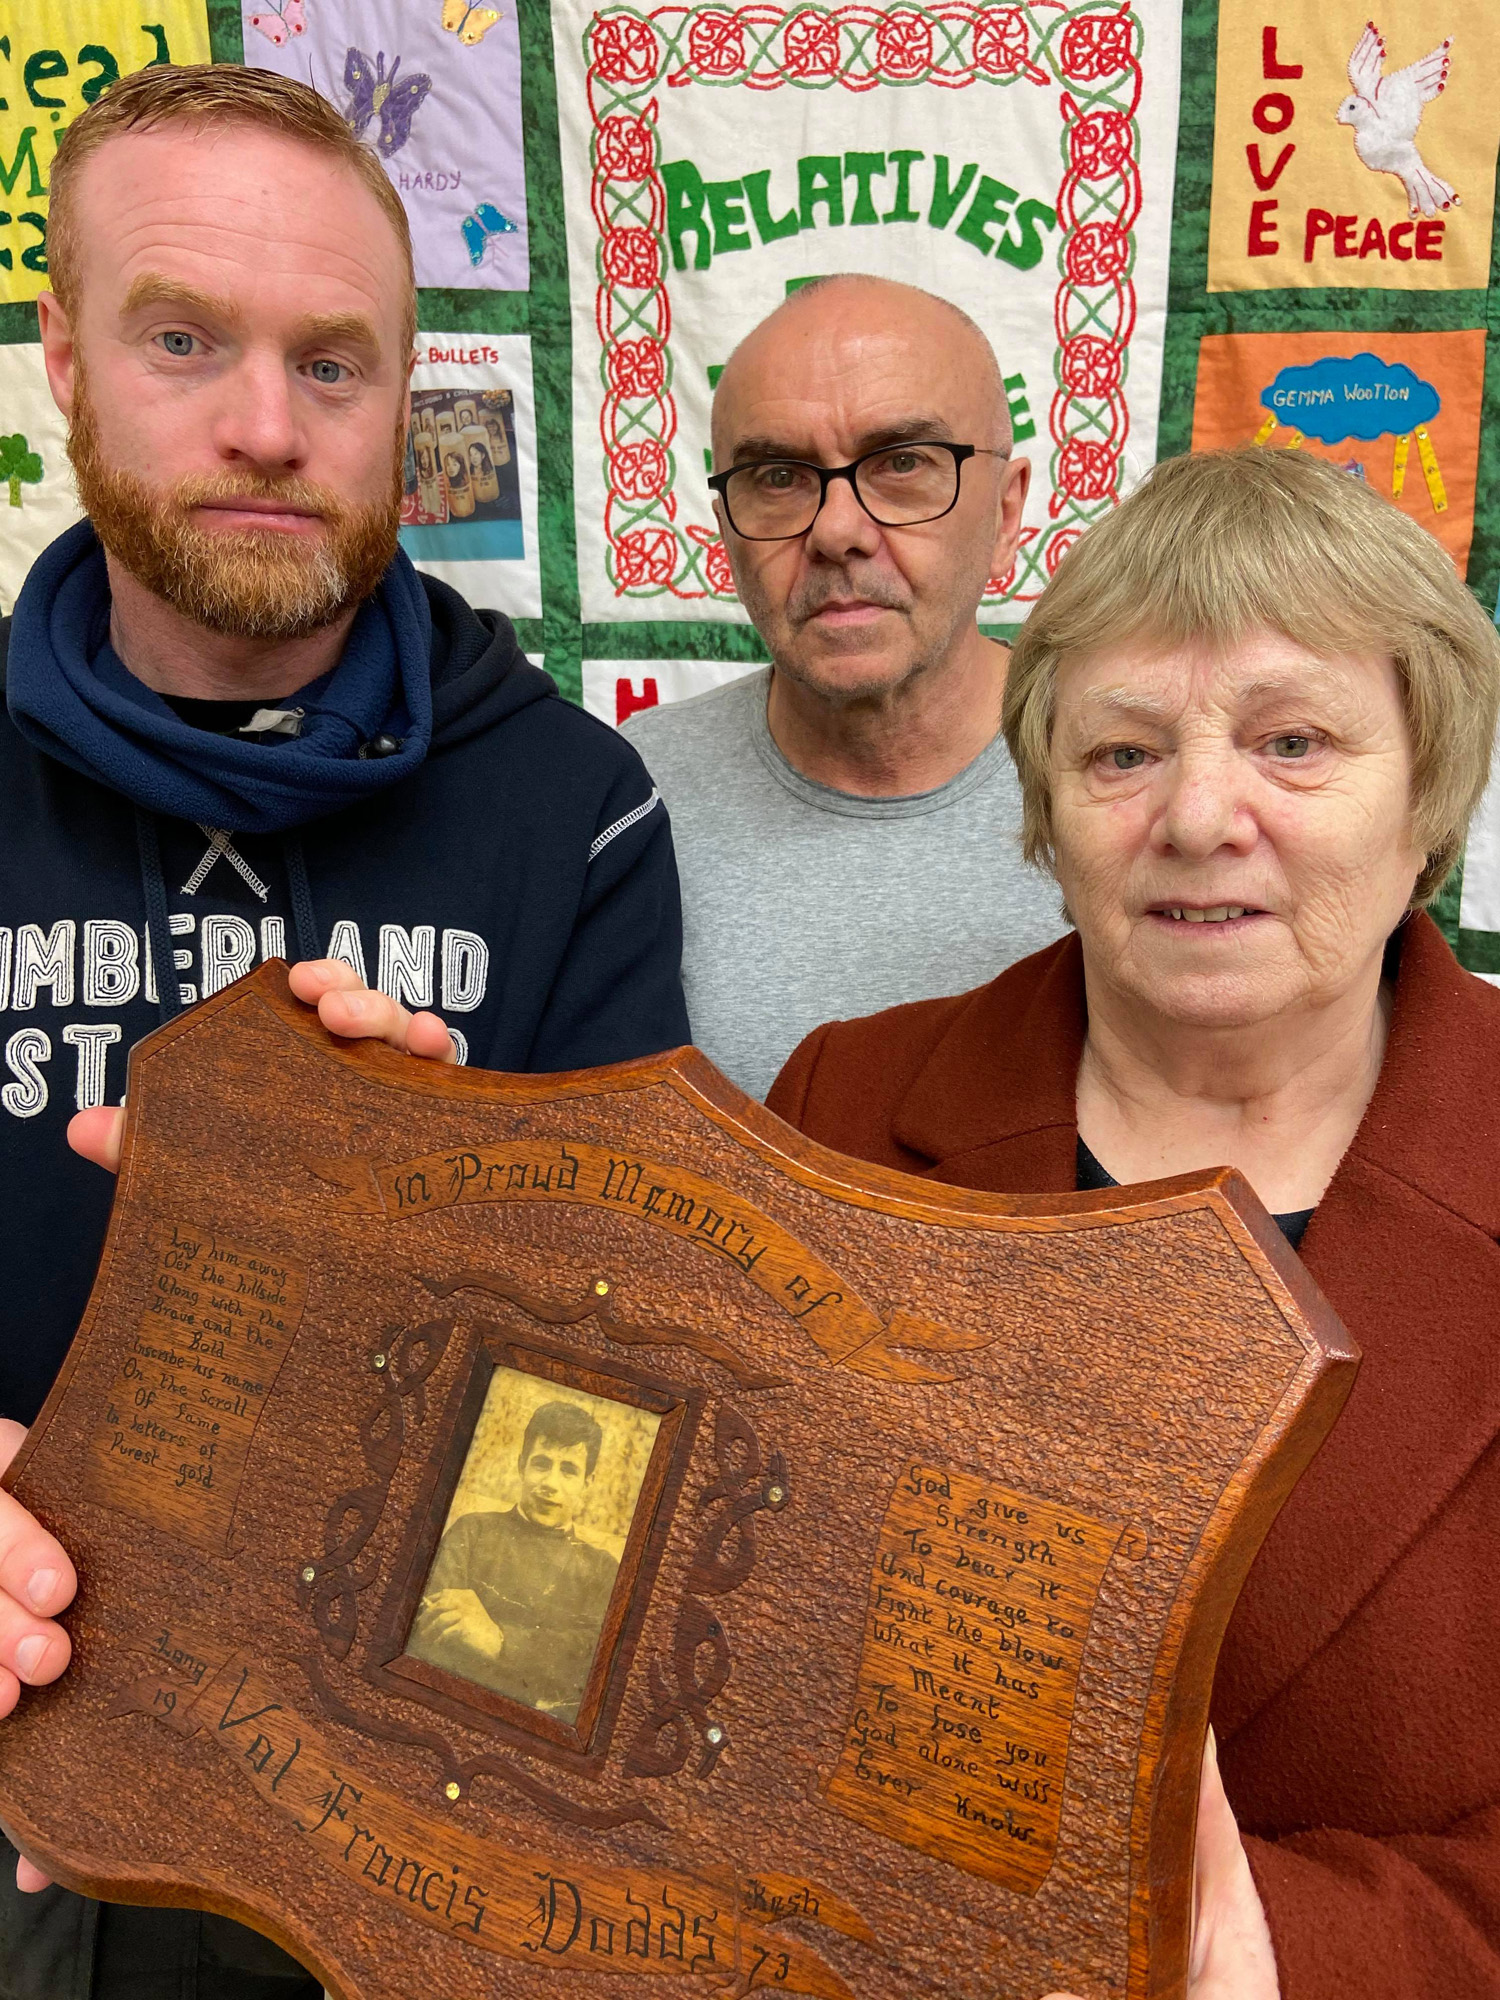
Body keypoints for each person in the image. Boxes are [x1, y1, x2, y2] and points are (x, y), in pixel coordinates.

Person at [0, 62, 686, 2000]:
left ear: (414, 393)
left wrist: (475, 1226)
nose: (261, 426)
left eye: (335, 362)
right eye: (184, 336)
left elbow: (657, 1409)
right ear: (59, 351)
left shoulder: (577, 808)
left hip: (422, 1813)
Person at [765, 446, 1500, 1999]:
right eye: (1122, 754)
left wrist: (1278, 1956)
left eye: (1294, 741)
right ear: (1048, 807)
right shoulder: (848, 1105)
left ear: (1428, 792)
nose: (1199, 815)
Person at [622, 275, 1065, 1102]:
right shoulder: (623, 793)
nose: (836, 532)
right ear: (724, 527)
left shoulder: (1135, 782)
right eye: (779, 477)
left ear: (1007, 515)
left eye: (902, 464)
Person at [410, 1400, 619, 1723]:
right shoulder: (473, 1529)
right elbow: (430, 1629)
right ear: (522, 1465)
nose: (550, 1483)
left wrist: (499, 1641)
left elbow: (587, 1663)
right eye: (541, 1463)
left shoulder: (603, 1569)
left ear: (587, 1483)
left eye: (568, 1470)